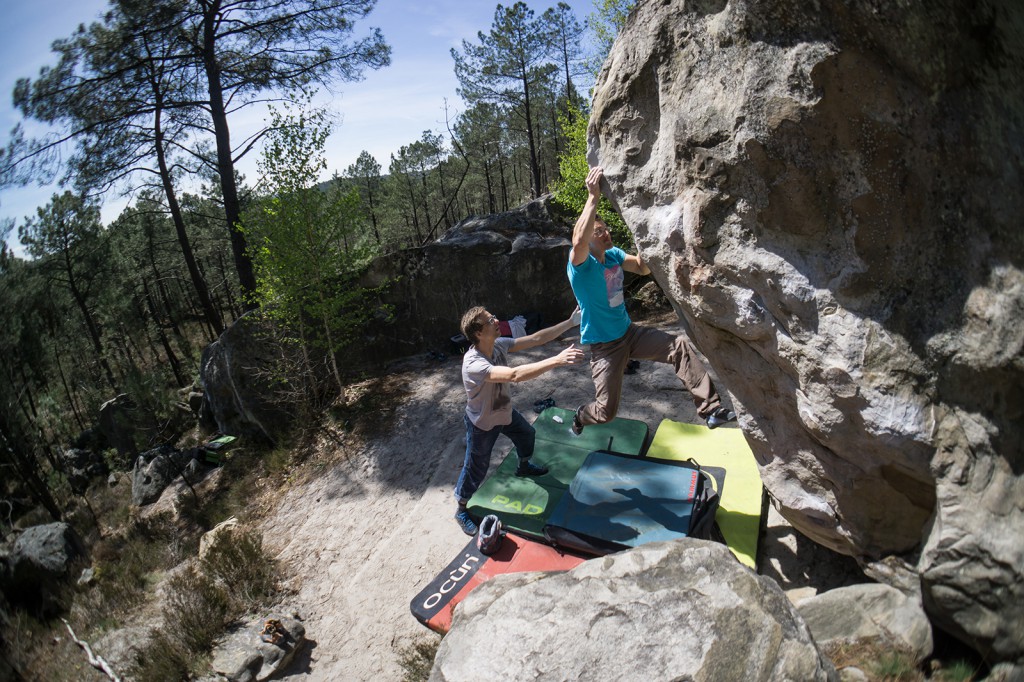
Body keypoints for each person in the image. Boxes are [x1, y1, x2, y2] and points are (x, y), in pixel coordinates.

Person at [566, 166, 736, 436]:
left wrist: (645, 236)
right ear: (590, 239)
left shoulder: (613, 255)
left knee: (678, 346)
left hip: (630, 333)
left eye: (607, 229)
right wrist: (593, 196)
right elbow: (578, 241)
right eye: (600, 232)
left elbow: (643, 268)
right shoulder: (580, 265)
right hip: (604, 346)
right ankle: (580, 415)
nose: (607, 233)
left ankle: (711, 410)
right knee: (605, 412)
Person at [454, 306, 585, 536]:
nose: (496, 320)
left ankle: (523, 468)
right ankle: (461, 508)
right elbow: (514, 375)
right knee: (476, 466)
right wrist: (556, 360)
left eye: (493, 315)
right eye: (489, 320)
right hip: (482, 424)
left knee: (527, 435)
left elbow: (535, 339)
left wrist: (569, 322)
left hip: (504, 413)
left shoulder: (498, 345)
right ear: (478, 333)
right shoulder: (473, 363)